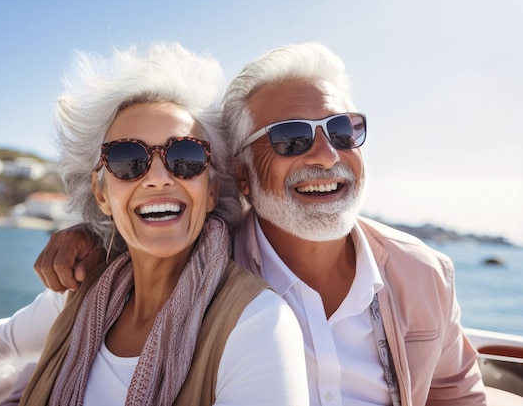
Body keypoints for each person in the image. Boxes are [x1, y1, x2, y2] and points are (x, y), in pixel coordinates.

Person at [34, 42, 493, 406]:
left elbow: (452, 392)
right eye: (291, 138)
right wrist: (90, 233)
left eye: (342, 131)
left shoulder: (426, 274)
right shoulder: (203, 269)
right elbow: (151, 227)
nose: (327, 155)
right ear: (241, 176)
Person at [0, 42, 308, 406]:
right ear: (102, 196)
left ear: (210, 188)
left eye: (185, 156)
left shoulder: (259, 324)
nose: (157, 177)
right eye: (127, 160)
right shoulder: (76, 297)